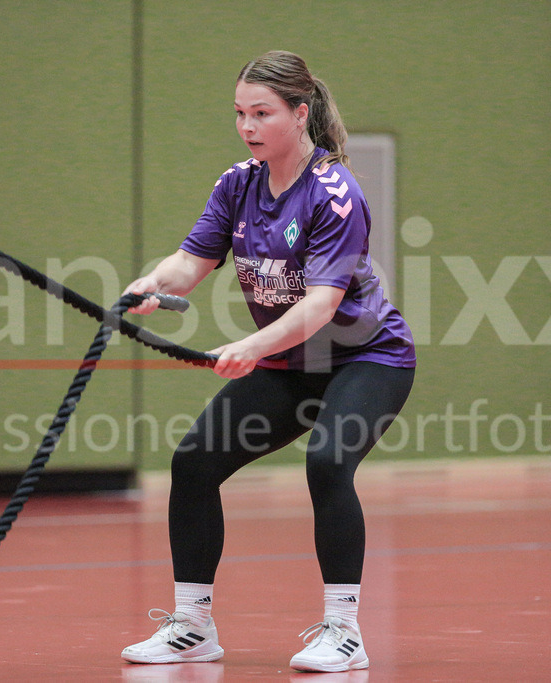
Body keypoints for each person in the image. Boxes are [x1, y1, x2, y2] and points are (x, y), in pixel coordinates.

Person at [120, 50, 416, 673]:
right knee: (195, 462)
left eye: (262, 113)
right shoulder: (238, 184)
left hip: (367, 361)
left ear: (300, 113)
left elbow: (319, 305)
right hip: (291, 365)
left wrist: (250, 347)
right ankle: (192, 627)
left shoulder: (334, 194)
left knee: (328, 461)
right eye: (239, 114)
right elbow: (190, 263)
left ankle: (344, 632)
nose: (248, 127)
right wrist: (152, 282)